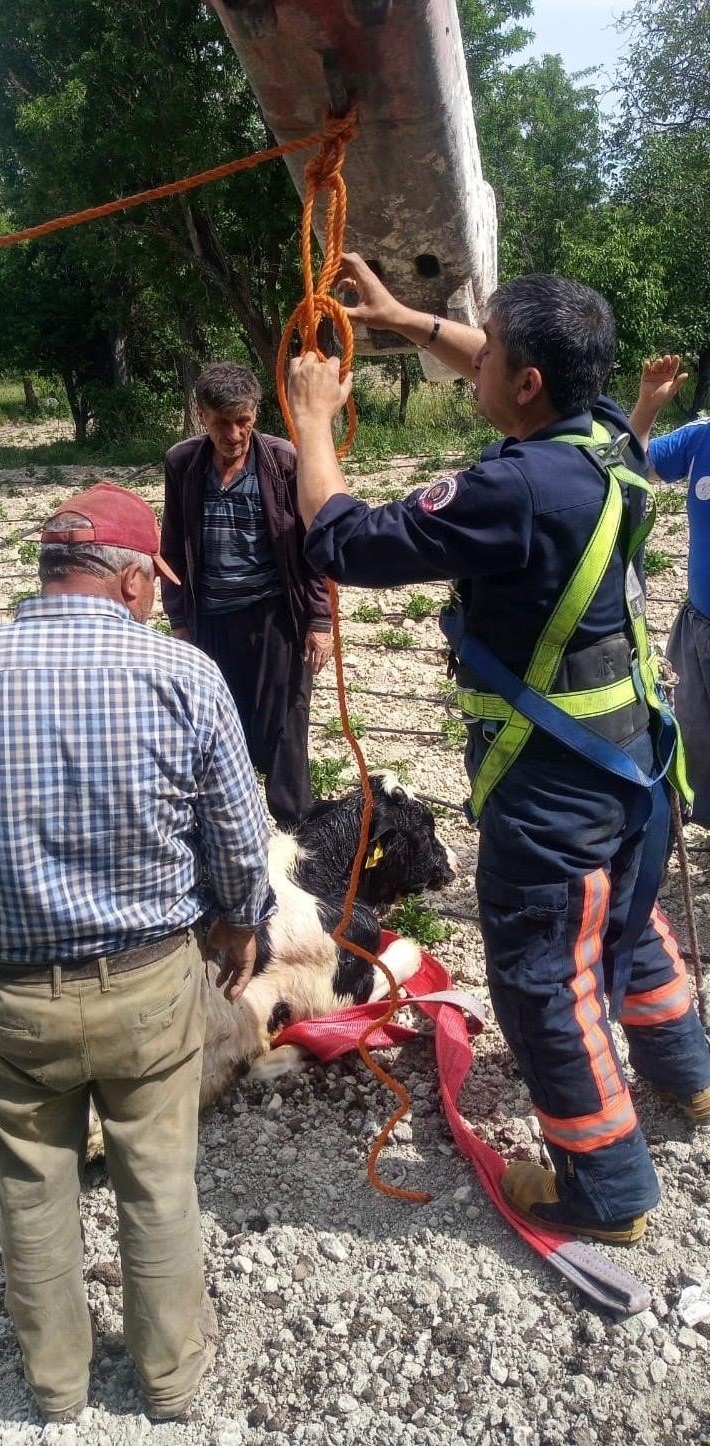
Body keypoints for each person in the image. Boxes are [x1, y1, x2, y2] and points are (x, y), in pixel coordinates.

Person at [287, 257, 710, 1243]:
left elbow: (344, 540)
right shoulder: (606, 436)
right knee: (629, 927)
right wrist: (407, 321)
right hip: (635, 770)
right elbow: (503, 364)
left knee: (543, 982)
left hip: (556, 793)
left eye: (491, 356)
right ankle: (687, 1082)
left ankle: (604, 1194)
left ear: (525, 385)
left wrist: (309, 421)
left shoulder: (512, 488)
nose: (471, 367)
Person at [0, 481, 274, 1424]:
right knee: (159, 1179)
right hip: (146, 986)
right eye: (157, 584)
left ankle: (55, 1389)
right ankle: (171, 1382)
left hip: (10, 996)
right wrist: (240, 921)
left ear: (51, 573)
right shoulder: (184, 676)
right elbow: (238, 842)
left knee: (32, 1183)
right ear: (133, 582)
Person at [160, 362, 333, 827]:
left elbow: (312, 546)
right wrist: (179, 620)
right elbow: (171, 545)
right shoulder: (182, 463)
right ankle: (224, 829)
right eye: (221, 422)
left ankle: (294, 831)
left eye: (243, 419)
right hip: (211, 618)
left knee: (285, 727)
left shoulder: (282, 461)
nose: (234, 433)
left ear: (255, 413)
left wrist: (319, 622)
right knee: (214, 724)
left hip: (275, 615)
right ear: (202, 416)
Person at [630, 354, 710, 826]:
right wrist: (646, 408)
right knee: (695, 742)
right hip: (698, 625)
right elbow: (630, 469)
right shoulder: (701, 438)